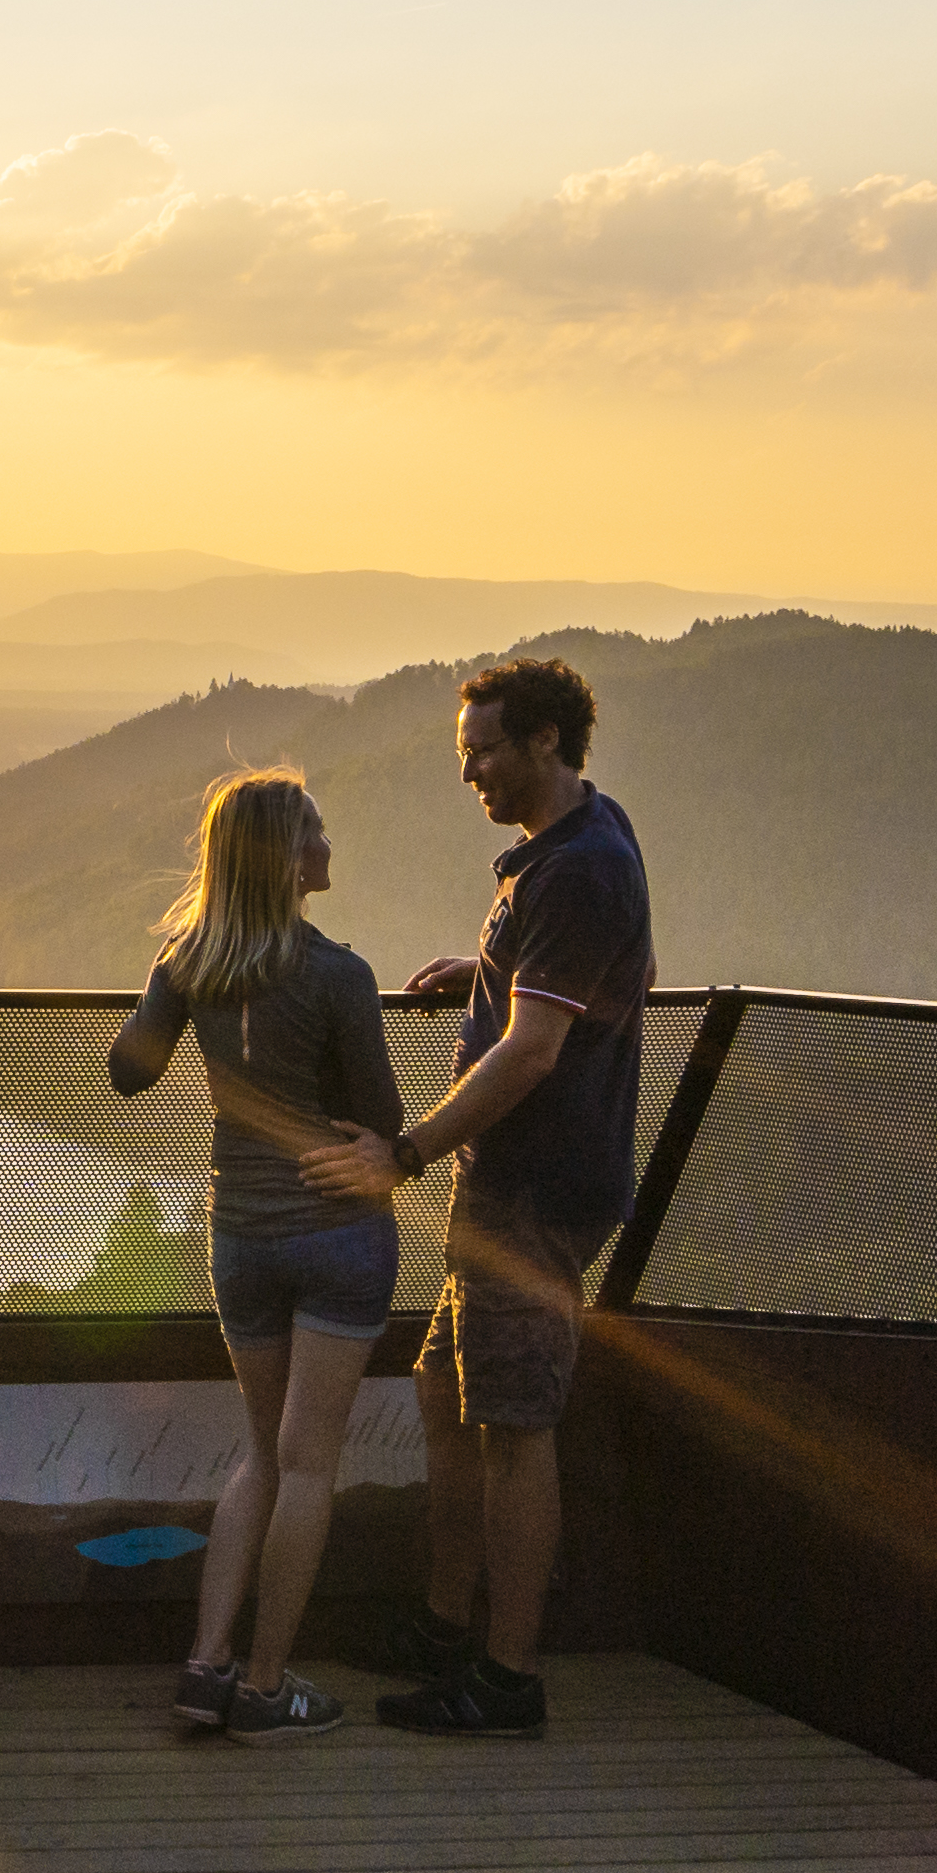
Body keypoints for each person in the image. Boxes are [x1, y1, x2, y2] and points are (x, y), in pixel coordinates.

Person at [311, 654, 644, 1740]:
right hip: (504, 1188)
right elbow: (584, 985)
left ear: (543, 741)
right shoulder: (577, 847)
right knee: (449, 1402)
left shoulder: (575, 869)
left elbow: (531, 1056)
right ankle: (445, 1626)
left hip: (533, 1193)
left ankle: (504, 1677)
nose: (472, 779)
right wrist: (489, 973)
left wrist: (403, 1151)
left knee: (512, 1422)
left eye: (484, 754)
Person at [104, 766, 403, 1740]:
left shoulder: (186, 964)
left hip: (239, 1239)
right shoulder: (337, 975)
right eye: (311, 832)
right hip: (334, 1240)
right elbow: (380, 1121)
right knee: (306, 1461)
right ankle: (267, 1689)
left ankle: (204, 1667)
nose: (325, 846)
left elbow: (127, 1074)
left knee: (259, 1455)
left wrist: (168, 988)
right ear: (279, 857)